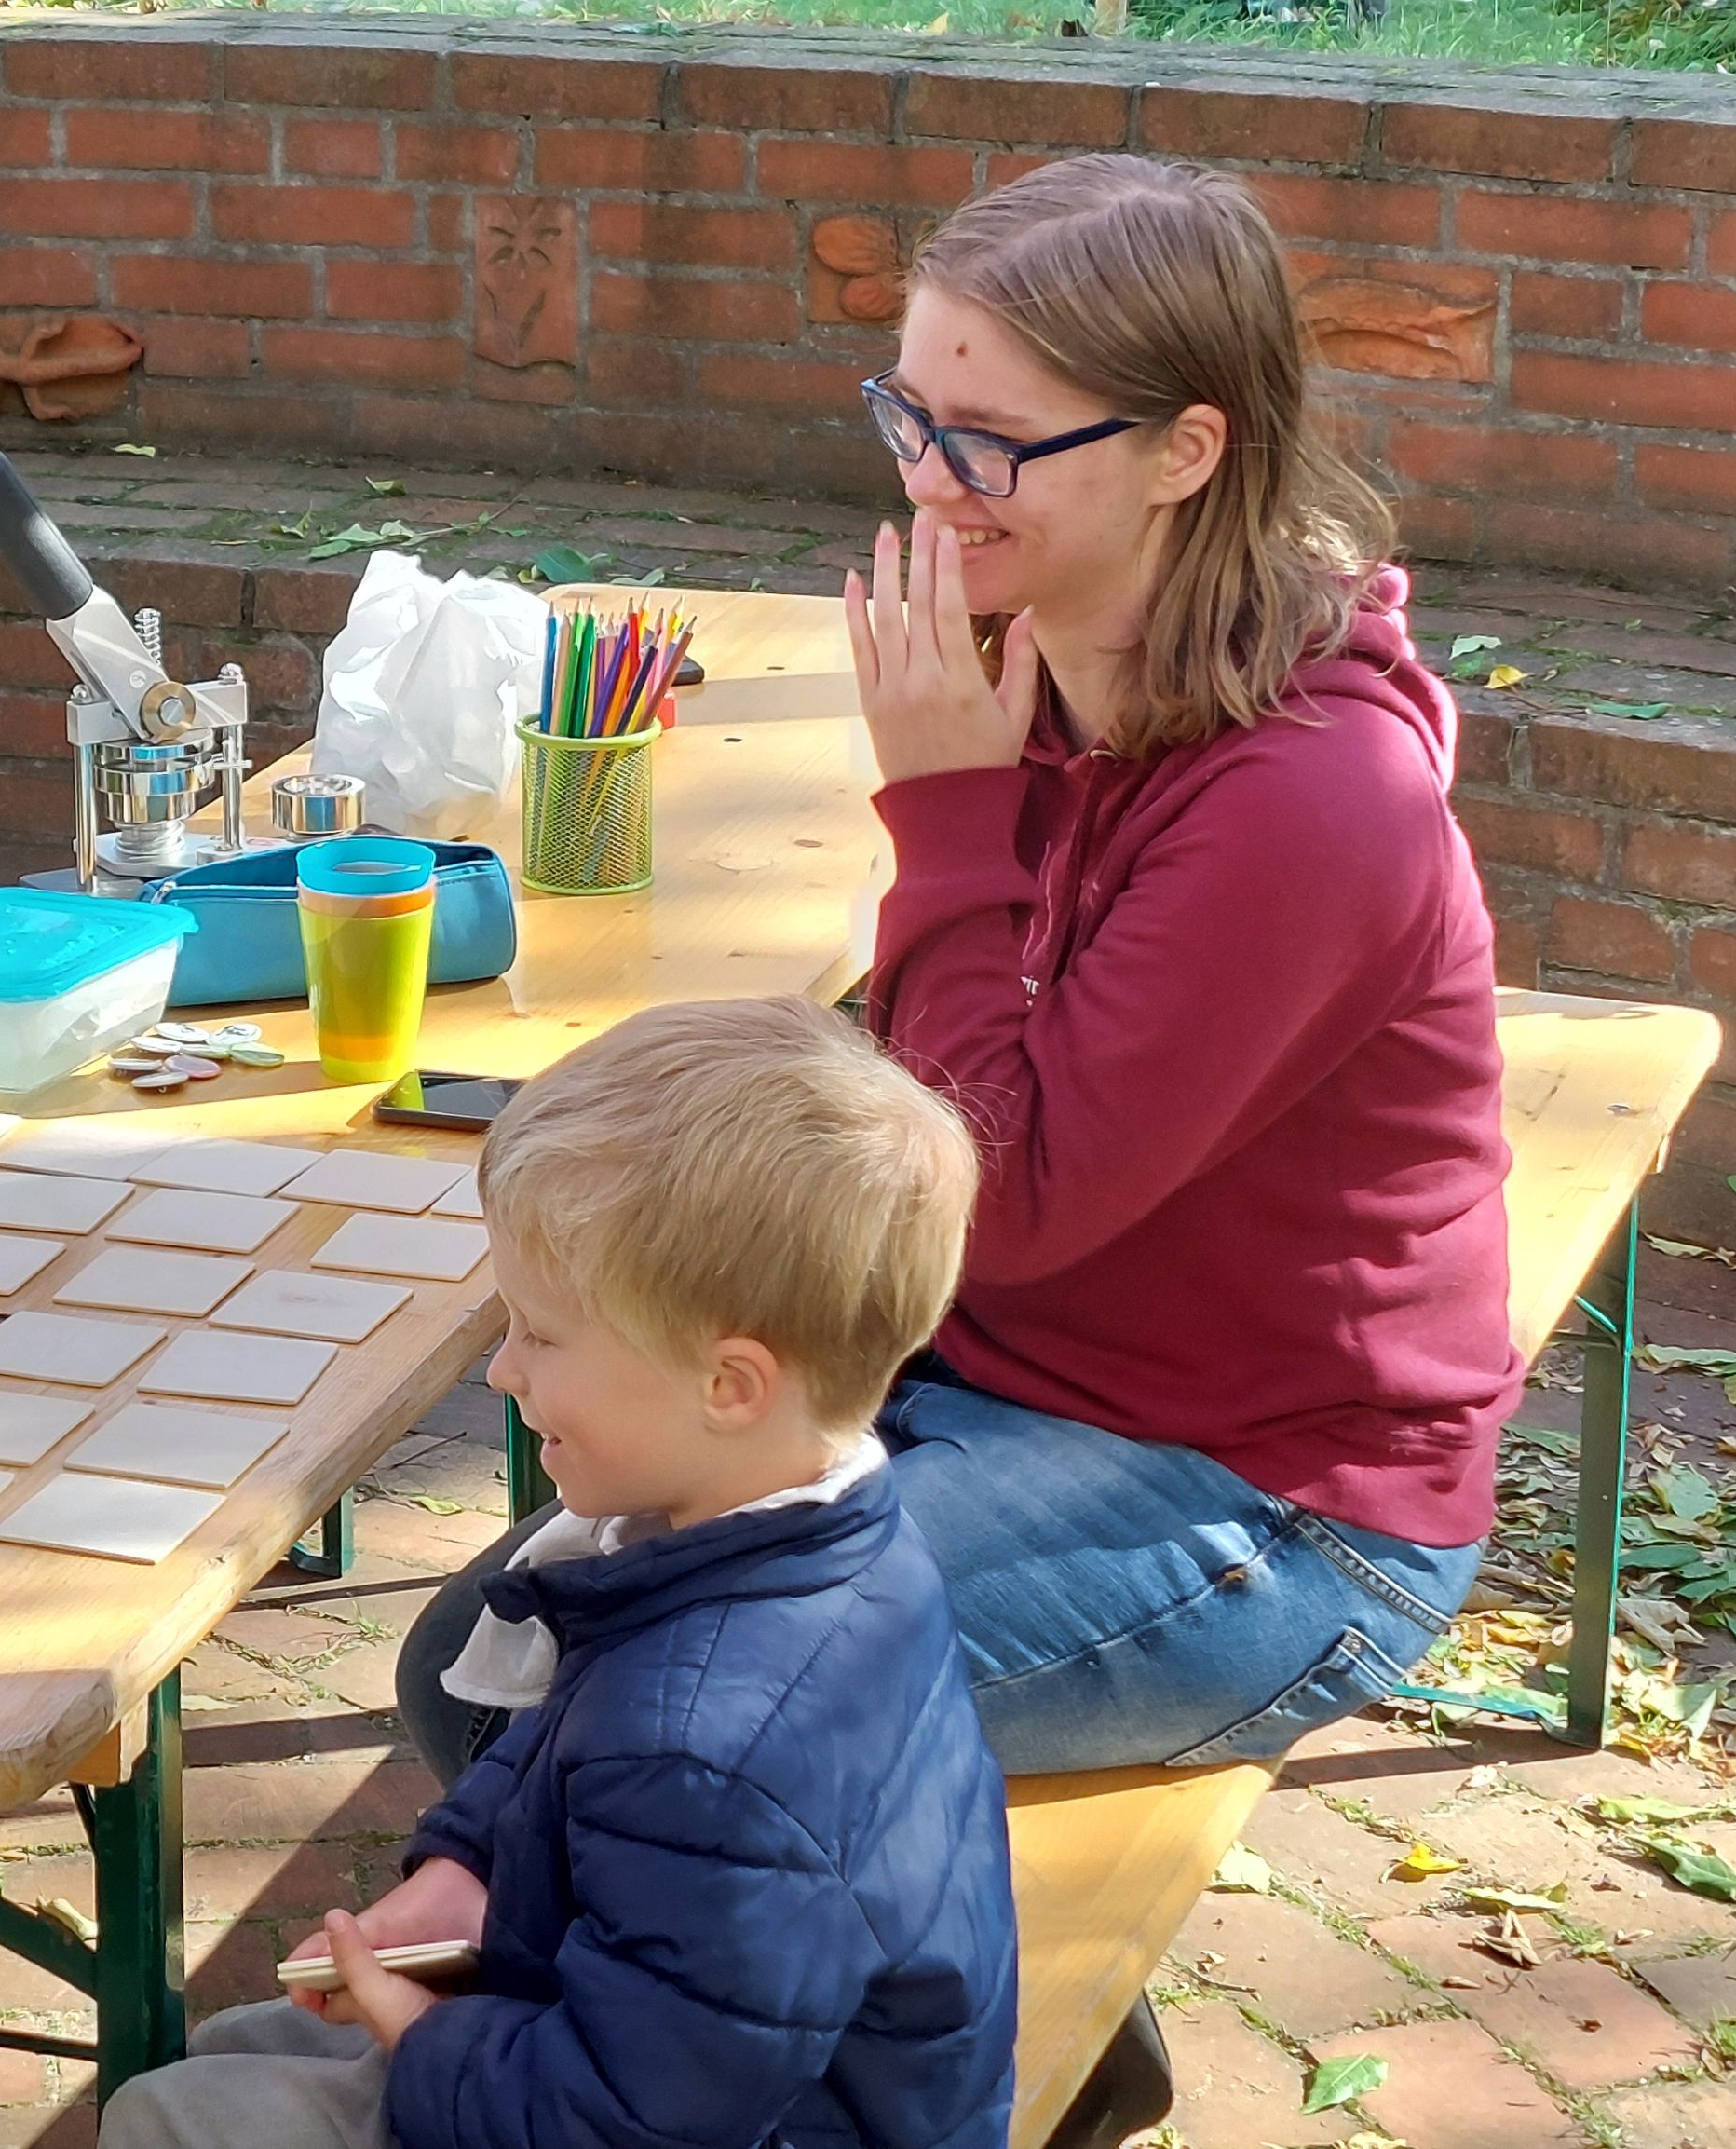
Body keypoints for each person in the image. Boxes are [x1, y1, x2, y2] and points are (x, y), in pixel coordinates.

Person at [399, 153, 1515, 1784]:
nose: (930, 482)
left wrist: (942, 816)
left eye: (990, 441)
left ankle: (946, 2025)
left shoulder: (1312, 800)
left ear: (1184, 452)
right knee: (483, 1662)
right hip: (999, 1367)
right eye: (908, 417)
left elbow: (986, 1199)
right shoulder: (1053, 672)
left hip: (1269, 1499)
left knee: (597, 1719)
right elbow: (932, 1095)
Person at [105, 996, 1016, 2149]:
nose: (499, 1370)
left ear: (727, 1385)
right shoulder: (800, 1533)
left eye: (541, 1333)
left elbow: (630, 2119)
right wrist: (469, 1861)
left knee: (177, 2118)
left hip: (723, 2119)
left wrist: (423, 2039)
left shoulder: (707, 1742)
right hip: (694, 2056)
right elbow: (573, 1743)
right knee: (241, 2047)